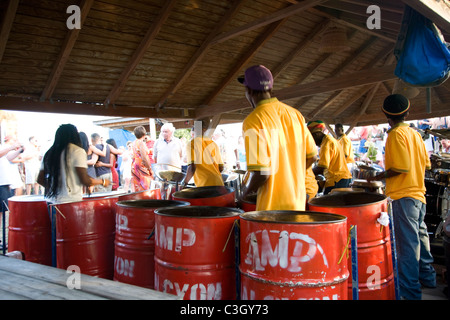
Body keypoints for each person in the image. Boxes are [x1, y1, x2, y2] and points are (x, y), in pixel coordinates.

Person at [368, 94, 436, 300]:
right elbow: (426, 164)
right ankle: (429, 278)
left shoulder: (396, 134)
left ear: (386, 115)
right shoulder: (415, 134)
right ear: (407, 113)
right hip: (418, 195)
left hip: (403, 197)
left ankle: (410, 292)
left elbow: (400, 168)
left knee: (408, 246)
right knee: (421, 239)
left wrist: (379, 175)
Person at [238, 65, 317, 211]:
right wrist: (291, 177)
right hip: (297, 206)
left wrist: (243, 196)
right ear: (270, 88)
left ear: (248, 91)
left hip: (271, 212)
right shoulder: (295, 115)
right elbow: (312, 157)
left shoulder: (253, 120)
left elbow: (262, 173)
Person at [37, 124, 110, 204]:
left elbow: (40, 179)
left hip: (51, 201)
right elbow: (84, 180)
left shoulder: (50, 153)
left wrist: (55, 188)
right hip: (70, 201)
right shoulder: (77, 151)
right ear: (74, 135)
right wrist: (102, 181)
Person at [308, 120, 352, 195]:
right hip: (342, 178)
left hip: (337, 179)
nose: (313, 142)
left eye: (312, 138)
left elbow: (322, 167)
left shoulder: (326, 144)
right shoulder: (330, 139)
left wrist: (307, 173)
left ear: (317, 134)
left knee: (329, 205)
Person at [182, 119, 224, 188]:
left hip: (205, 185)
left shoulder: (191, 144)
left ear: (194, 130)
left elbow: (192, 168)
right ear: (204, 130)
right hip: (219, 182)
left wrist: (184, 182)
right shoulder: (213, 144)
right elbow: (221, 167)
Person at [131, 126, 153, 191]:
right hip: (141, 166)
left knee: (137, 186)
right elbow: (144, 158)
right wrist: (149, 169)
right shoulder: (141, 143)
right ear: (144, 133)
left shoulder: (134, 142)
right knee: (145, 187)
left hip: (135, 165)